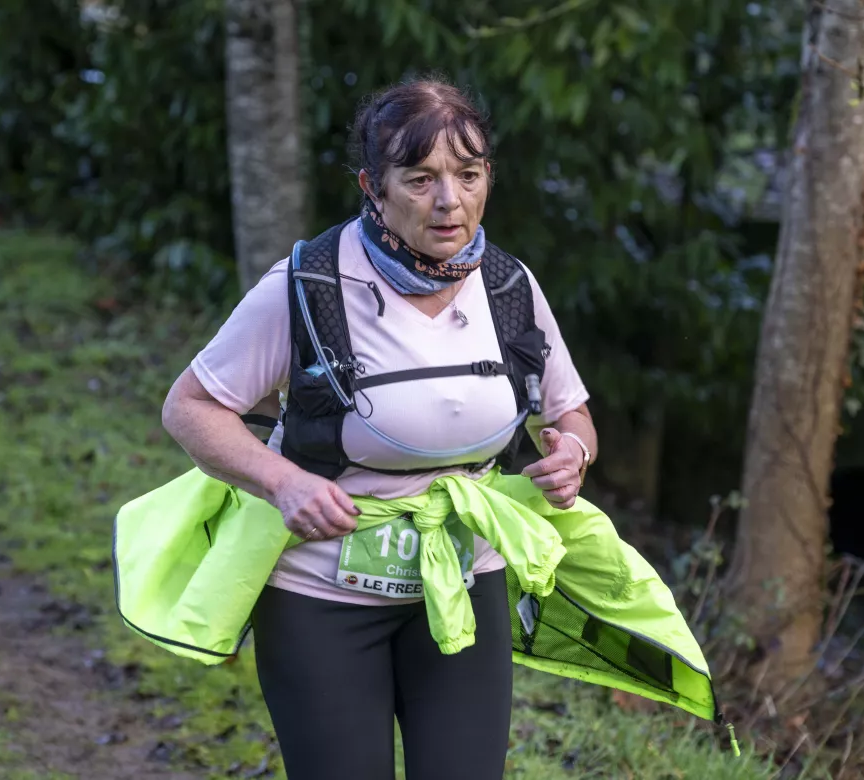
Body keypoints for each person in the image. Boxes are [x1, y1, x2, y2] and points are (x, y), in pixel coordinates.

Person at [160, 76, 597, 780]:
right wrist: (283, 483)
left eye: (468, 174)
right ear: (374, 186)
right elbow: (190, 407)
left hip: (464, 584)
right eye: (421, 179)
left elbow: (570, 411)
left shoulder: (510, 287)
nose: (450, 200)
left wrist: (572, 452)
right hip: (320, 595)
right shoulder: (310, 284)